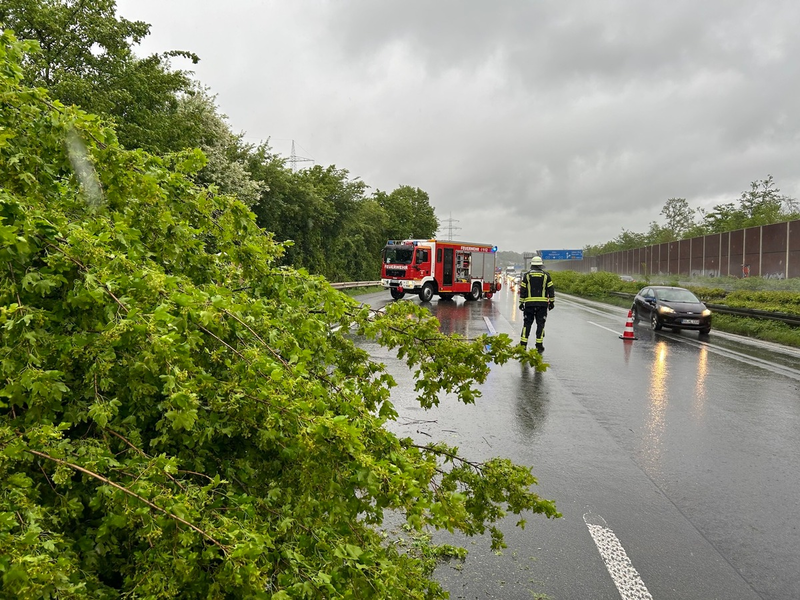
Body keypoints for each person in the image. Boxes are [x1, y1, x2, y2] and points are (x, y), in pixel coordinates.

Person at [519, 255, 555, 353]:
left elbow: (523, 290)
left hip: (529, 305)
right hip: (542, 306)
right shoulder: (546, 276)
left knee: (527, 324)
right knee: (540, 325)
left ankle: (523, 345)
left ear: (532, 265)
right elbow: (551, 290)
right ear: (540, 265)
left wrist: (521, 302)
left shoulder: (526, 276)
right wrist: (551, 302)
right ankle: (539, 345)